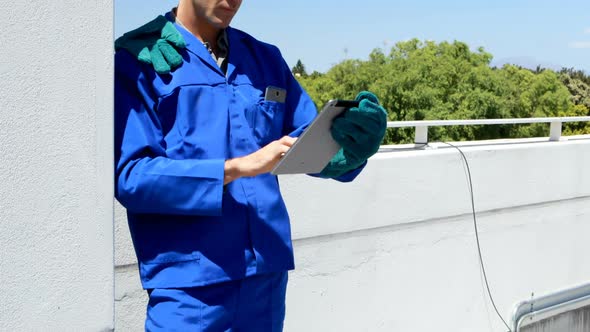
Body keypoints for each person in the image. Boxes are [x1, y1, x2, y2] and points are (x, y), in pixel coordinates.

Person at [114, 0, 387, 330]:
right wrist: (238, 168)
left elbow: (307, 146)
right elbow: (132, 176)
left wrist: (353, 146)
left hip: (265, 275)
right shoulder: (139, 57)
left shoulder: (265, 60)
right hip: (191, 285)